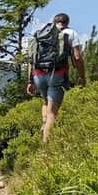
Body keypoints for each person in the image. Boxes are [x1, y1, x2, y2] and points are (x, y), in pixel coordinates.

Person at [26, 13, 86, 143]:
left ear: (54, 22)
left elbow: (31, 60)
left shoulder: (40, 34)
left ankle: (44, 124)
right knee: (52, 113)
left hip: (38, 74)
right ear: (67, 22)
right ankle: (47, 145)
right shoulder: (71, 33)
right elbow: (77, 57)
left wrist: (30, 81)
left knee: (45, 102)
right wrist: (82, 76)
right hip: (57, 74)